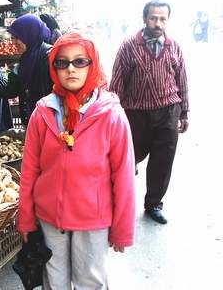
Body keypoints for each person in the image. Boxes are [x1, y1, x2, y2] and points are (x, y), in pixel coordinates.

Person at [18, 33, 135, 289]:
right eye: (62, 62)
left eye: (80, 62)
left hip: (92, 219)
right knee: (54, 282)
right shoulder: (43, 113)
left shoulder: (111, 115)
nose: (70, 68)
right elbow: (29, 171)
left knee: (90, 282)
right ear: (53, 67)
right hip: (49, 218)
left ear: (92, 65)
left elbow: (124, 175)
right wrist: (25, 218)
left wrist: (122, 229)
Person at [110, 0, 189, 224]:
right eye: (153, 18)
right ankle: (117, 203)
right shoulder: (128, 46)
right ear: (144, 18)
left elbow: (182, 80)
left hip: (168, 112)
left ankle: (153, 204)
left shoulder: (174, 46)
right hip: (136, 114)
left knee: (163, 161)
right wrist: (113, 115)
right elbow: (117, 82)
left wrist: (184, 112)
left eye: (163, 18)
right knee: (125, 160)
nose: (158, 23)